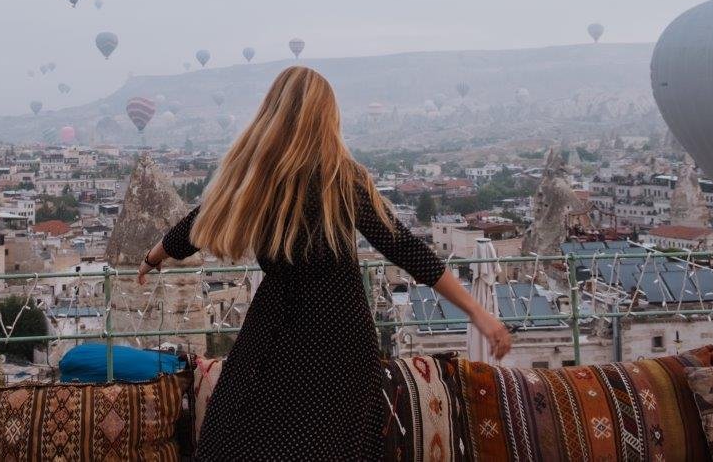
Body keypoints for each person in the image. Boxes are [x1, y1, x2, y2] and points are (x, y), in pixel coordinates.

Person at [138, 66, 511, 461]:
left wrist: (152, 258)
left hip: (273, 333)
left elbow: (195, 226)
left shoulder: (253, 179)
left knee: (235, 439)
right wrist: (476, 312)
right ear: (326, 118)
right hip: (340, 341)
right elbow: (406, 249)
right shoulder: (342, 180)